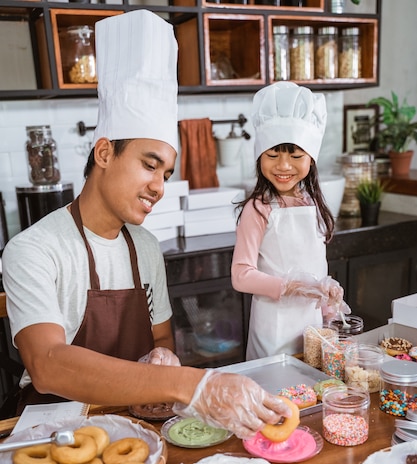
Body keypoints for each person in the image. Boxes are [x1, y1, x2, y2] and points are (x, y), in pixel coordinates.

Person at [2, 11, 291, 439]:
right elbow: (46, 365)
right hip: (53, 434)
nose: (158, 187)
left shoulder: (145, 246)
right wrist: (193, 383)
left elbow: (162, 343)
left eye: (166, 174)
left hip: (135, 430)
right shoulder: (34, 249)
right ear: (104, 153)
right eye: (148, 165)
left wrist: (165, 363)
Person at [231, 81, 350, 360]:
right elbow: (240, 275)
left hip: (313, 328)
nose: (283, 166)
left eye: (295, 156)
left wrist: (329, 300)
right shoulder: (258, 209)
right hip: (274, 328)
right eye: (273, 155)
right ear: (260, 156)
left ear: (311, 159)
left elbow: (317, 266)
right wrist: (289, 286)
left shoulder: (314, 205)